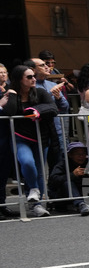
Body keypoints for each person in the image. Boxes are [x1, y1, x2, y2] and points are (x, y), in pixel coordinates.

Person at [2, 65, 59, 216]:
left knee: (40, 171)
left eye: (33, 76)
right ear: (19, 80)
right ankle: (33, 189)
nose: (33, 79)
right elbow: (9, 112)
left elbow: (53, 108)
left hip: (41, 137)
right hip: (20, 137)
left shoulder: (40, 92)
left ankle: (37, 205)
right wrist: (12, 94)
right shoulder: (12, 93)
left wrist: (36, 110)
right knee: (27, 163)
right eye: (29, 77)